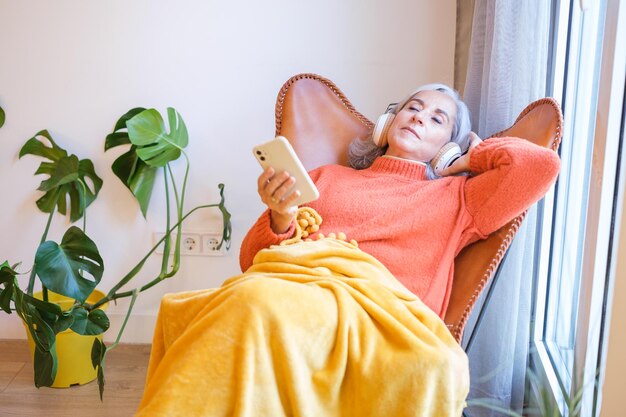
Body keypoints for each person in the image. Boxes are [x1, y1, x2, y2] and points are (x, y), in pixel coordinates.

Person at [240, 83, 561, 318]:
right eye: (413, 107)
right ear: (388, 123)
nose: (419, 118)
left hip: (374, 318)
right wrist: (279, 216)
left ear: (450, 147)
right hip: (287, 295)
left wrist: (475, 156)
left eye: (438, 119)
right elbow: (250, 261)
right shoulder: (326, 177)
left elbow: (541, 167)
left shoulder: (460, 201)